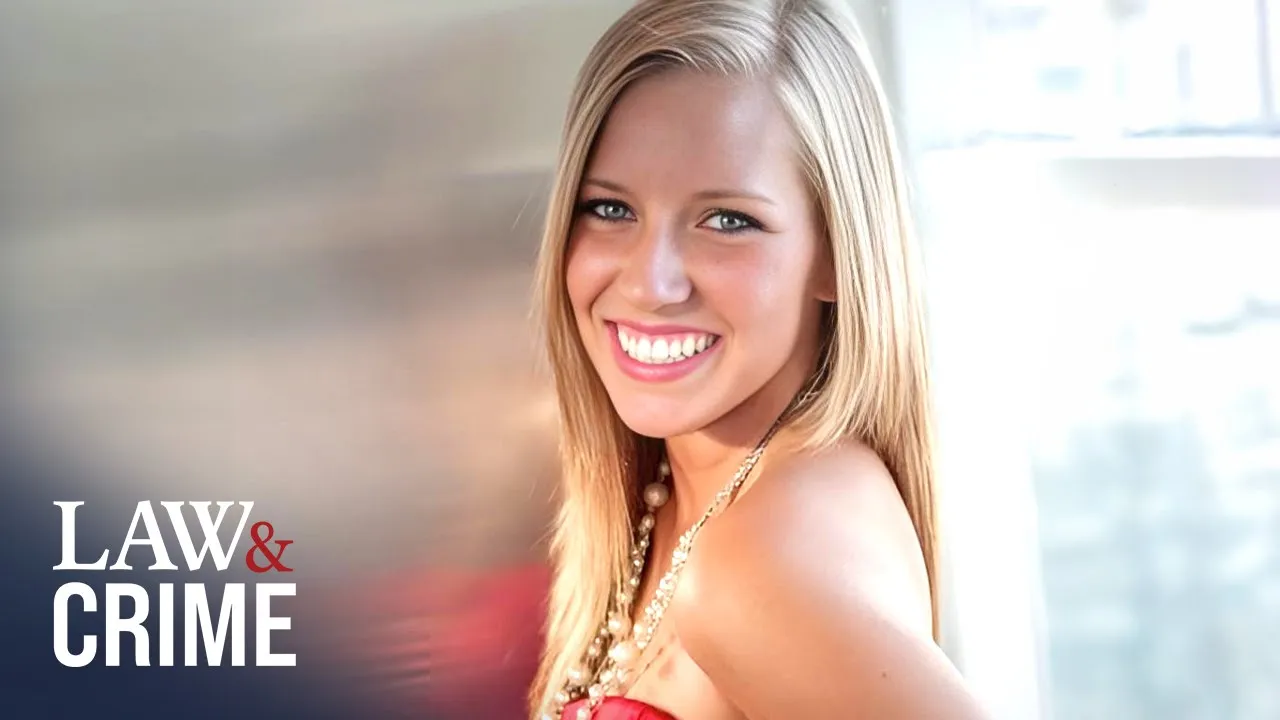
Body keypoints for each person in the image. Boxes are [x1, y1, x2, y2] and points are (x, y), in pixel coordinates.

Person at [529, 1, 990, 718]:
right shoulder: (688, 494)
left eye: (728, 221)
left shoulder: (763, 562)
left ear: (837, 255)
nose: (649, 284)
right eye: (611, 210)